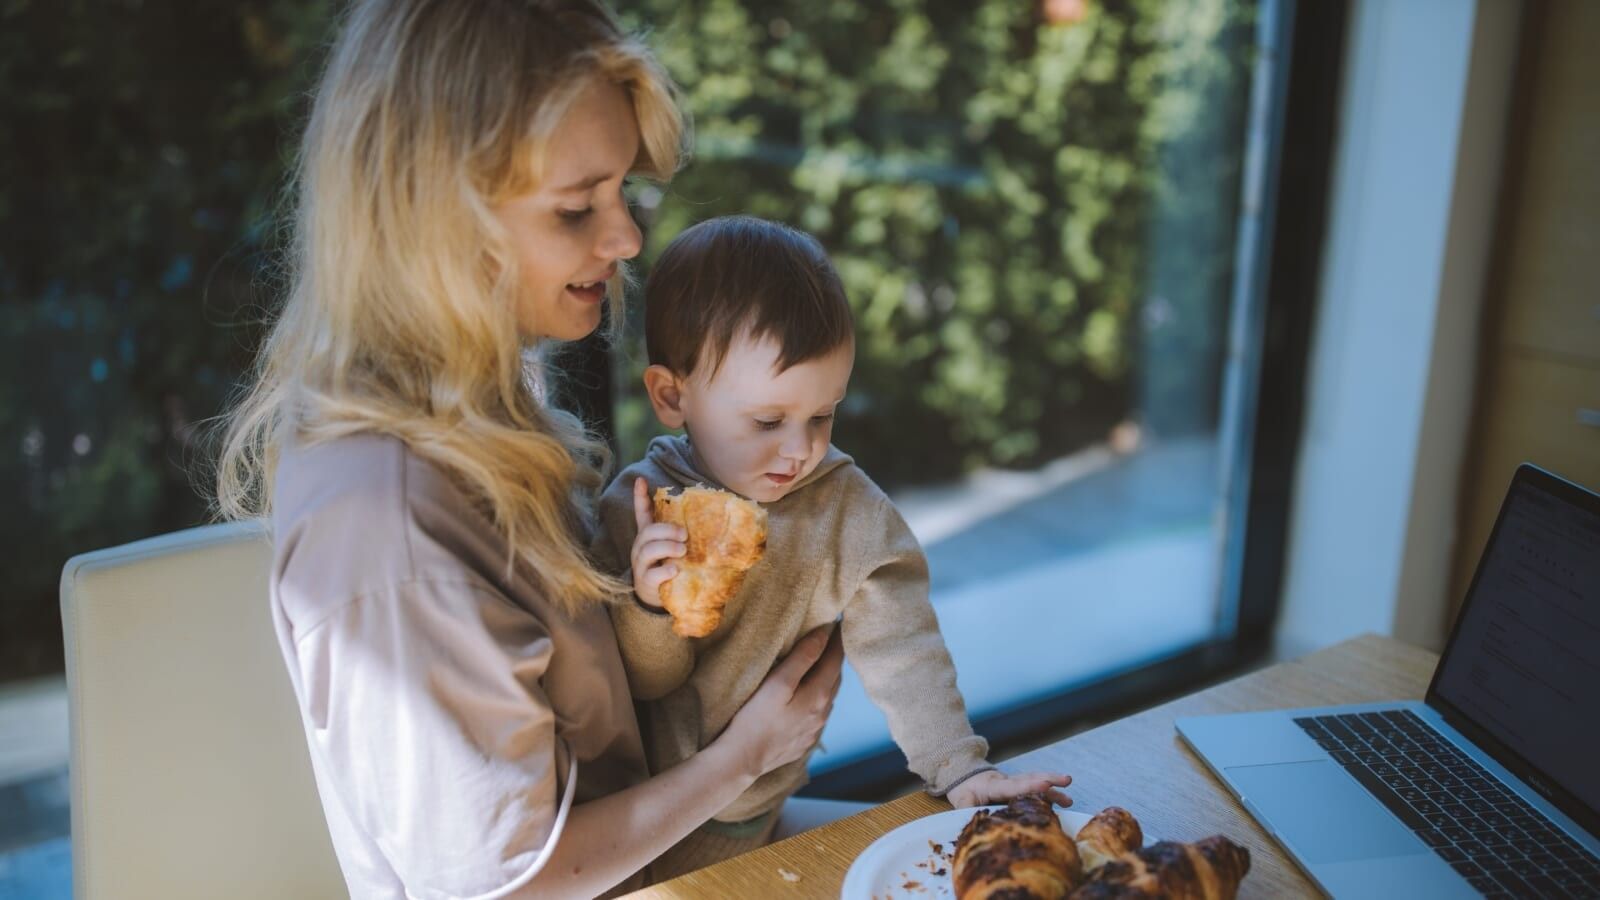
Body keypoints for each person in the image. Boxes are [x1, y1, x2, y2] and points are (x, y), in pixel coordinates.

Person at [213, 3, 843, 897]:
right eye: (576, 208)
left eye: (622, 192)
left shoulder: (484, 401)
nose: (625, 239)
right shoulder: (388, 526)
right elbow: (506, 884)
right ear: (434, 218)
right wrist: (746, 757)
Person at [592, 216, 1073, 880]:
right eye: (768, 421)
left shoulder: (845, 511)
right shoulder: (638, 509)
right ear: (673, 396)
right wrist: (648, 604)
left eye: (823, 415)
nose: (801, 450)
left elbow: (903, 647)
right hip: (648, 832)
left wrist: (959, 765)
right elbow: (647, 682)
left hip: (765, 808)